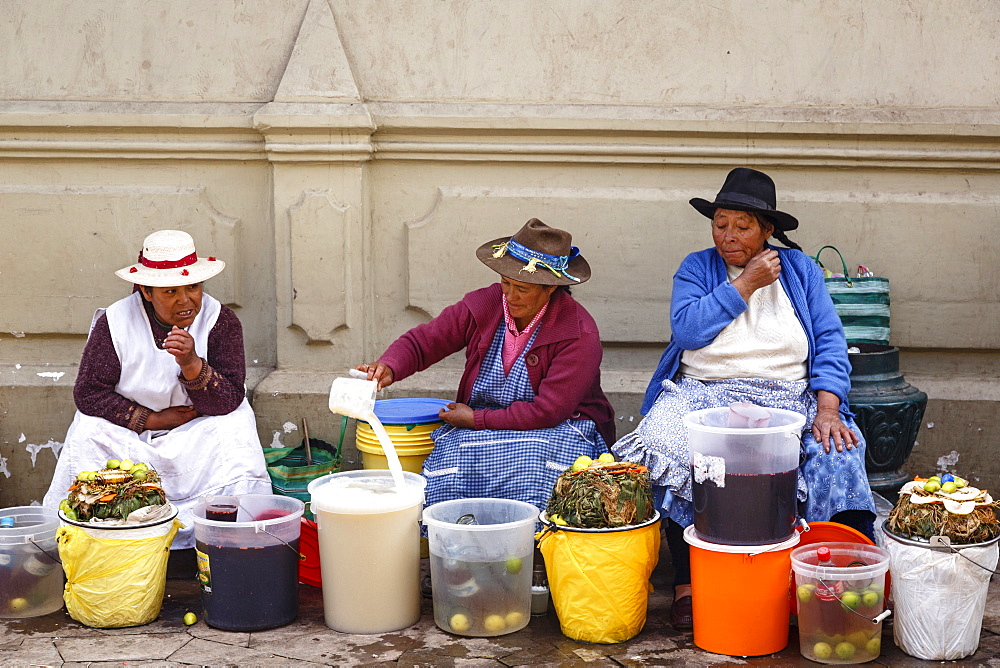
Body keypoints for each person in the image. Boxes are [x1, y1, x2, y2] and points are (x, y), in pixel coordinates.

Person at [612, 168, 876, 630]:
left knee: (838, 454)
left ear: (767, 230)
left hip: (786, 397)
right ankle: (689, 583)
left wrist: (829, 407)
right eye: (720, 224)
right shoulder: (697, 267)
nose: (727, 236)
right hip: (702, 394)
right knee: (668, 445)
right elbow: (689, 331)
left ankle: (836, 580)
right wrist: (745, 284)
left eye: (742, 226)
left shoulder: (801, 272)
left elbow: (831, 342)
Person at [357, 218, 615, 512]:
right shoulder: (485, 304)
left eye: (523, 289)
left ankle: (533, 548)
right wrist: (390, 365)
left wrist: (476, 420)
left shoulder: (578, 332)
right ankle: (462, 543)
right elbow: (427, 340)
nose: (510, 295)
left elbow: (548, 411)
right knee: (455, 459)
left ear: (551, 288)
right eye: (506, 282)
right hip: (483, 420)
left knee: (533, 462)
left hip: (560, 427)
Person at [43, 230, 271, 550]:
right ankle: (94, 541)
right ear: (147, 292)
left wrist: (192, 363)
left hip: (198, 430)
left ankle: (227, 539)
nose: (185, 300)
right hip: (131, 436)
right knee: (88, 429)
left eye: (192, 287)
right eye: (170, 291)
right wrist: (151, 419)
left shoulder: (221, 320)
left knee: (236, 424)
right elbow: (89, 392)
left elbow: (230, 397)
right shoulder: (116, 321)